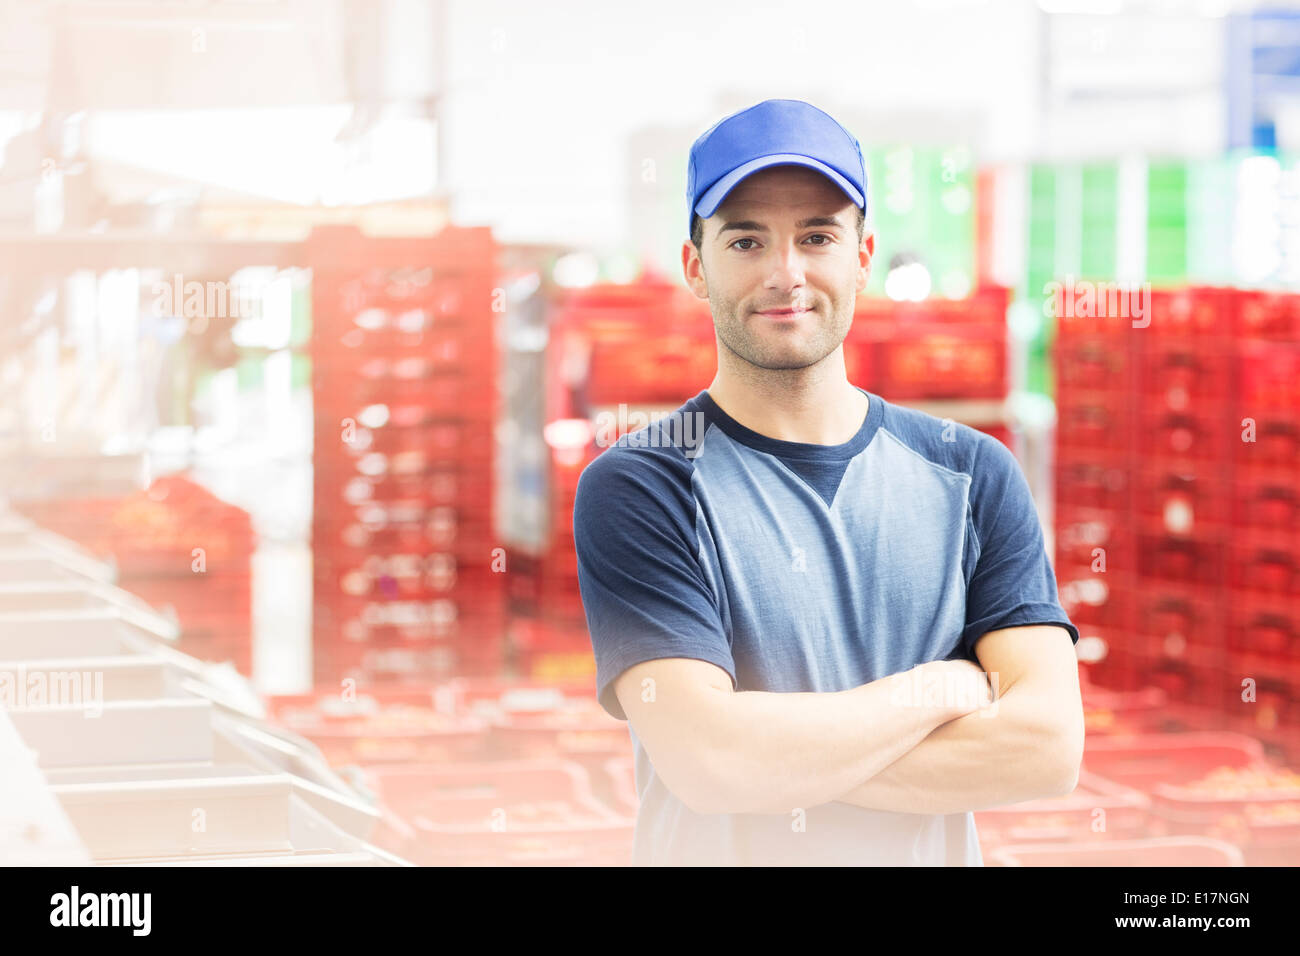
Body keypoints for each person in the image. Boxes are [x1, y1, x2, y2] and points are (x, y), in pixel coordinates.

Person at [573, 99, 1084, 866]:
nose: (787, 273)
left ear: (862, 255)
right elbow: (711, 763)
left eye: (818, 236)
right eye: (747, 239)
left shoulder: (972, 472)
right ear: (695, 265)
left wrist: (777, 758)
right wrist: (937, 691)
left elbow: (1046, 749)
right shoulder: (644, 485)